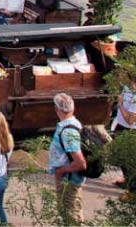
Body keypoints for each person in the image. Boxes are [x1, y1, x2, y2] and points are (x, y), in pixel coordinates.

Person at [49, 93, 87, 224]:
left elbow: (80, 163)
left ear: (57, 109)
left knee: (71, 214)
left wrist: (61, 171)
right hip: (67, 179)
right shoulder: (71, 124)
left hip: (69, 181)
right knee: (67, 211)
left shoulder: (68, 132)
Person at [111, 80, 136, 198]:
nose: (130, 85)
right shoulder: (127, 88)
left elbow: (130, 120)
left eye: (133, 83)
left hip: (131, 131)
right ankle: (127, 180)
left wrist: (120, 105)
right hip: (121, 126)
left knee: (131, 162)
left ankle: (134, 192)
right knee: (121, 158)